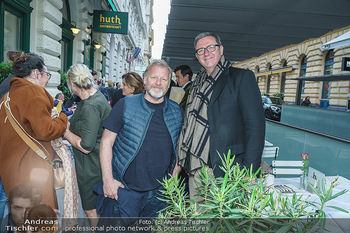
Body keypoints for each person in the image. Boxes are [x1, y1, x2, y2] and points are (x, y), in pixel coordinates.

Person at [177, 32, 265, 200]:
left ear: (221, 49)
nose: (206, 53)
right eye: (201, 50)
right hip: (196, 168)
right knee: (199, 221)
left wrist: (250, 171)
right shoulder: (196, 84)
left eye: (211, 47)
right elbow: (188, 124)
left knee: (225, 224)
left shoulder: (241, 78)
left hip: (230, 171)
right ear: (197, 56)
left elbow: (255, 127)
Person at [99, 60, 183, 219]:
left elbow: (180, 147)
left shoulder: (177, 111)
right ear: (144, 80)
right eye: (154, 77)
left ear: (169, 84)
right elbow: (106, 142)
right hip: (124, 190)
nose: (158, 83)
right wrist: (108, 180)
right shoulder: (125, 104)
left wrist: (174, 178)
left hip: (159, 194)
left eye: (163, 79)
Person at [0, 51, 67, 210]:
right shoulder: (33, 92)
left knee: (23, 218)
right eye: (47, 75)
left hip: (11, 169)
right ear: (37, 73)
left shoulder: (7, 97)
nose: (46, 79)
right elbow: (46, 131)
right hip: (32, 169)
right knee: (40, 219)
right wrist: (62, 118)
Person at [63, 64, 111, 227]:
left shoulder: (90, 105)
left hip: (91, 167)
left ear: (73, 85)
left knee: (91, 210)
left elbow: (85, 146)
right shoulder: (93, 97)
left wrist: (65, 132)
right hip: (94, 164)